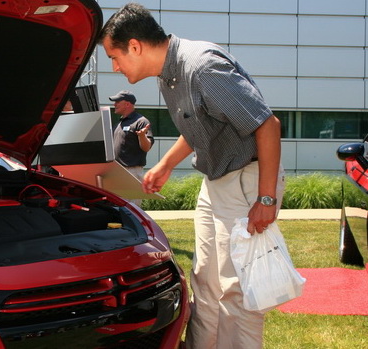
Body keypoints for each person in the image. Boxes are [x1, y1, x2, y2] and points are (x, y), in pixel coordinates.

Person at [99, 3, 285, 349]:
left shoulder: (202, 67)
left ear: (135, 46)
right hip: (216, 181)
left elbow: (268, 125)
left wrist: (266, 197)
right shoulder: (169, 75)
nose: (115, 67)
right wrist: (166, 164)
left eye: (114, 56)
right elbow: (200, 124)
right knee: (206, 282)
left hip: (247, 179)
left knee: (236, 289)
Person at [109, 90, 154, 206]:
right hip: (117, 172)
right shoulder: (119, 123)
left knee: (131, 209)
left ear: (127, 104)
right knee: (116, 207)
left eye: (118, 101)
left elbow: (146, 147)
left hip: (132, 171)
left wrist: (142, 136)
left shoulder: (141, 122)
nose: (114, 104)